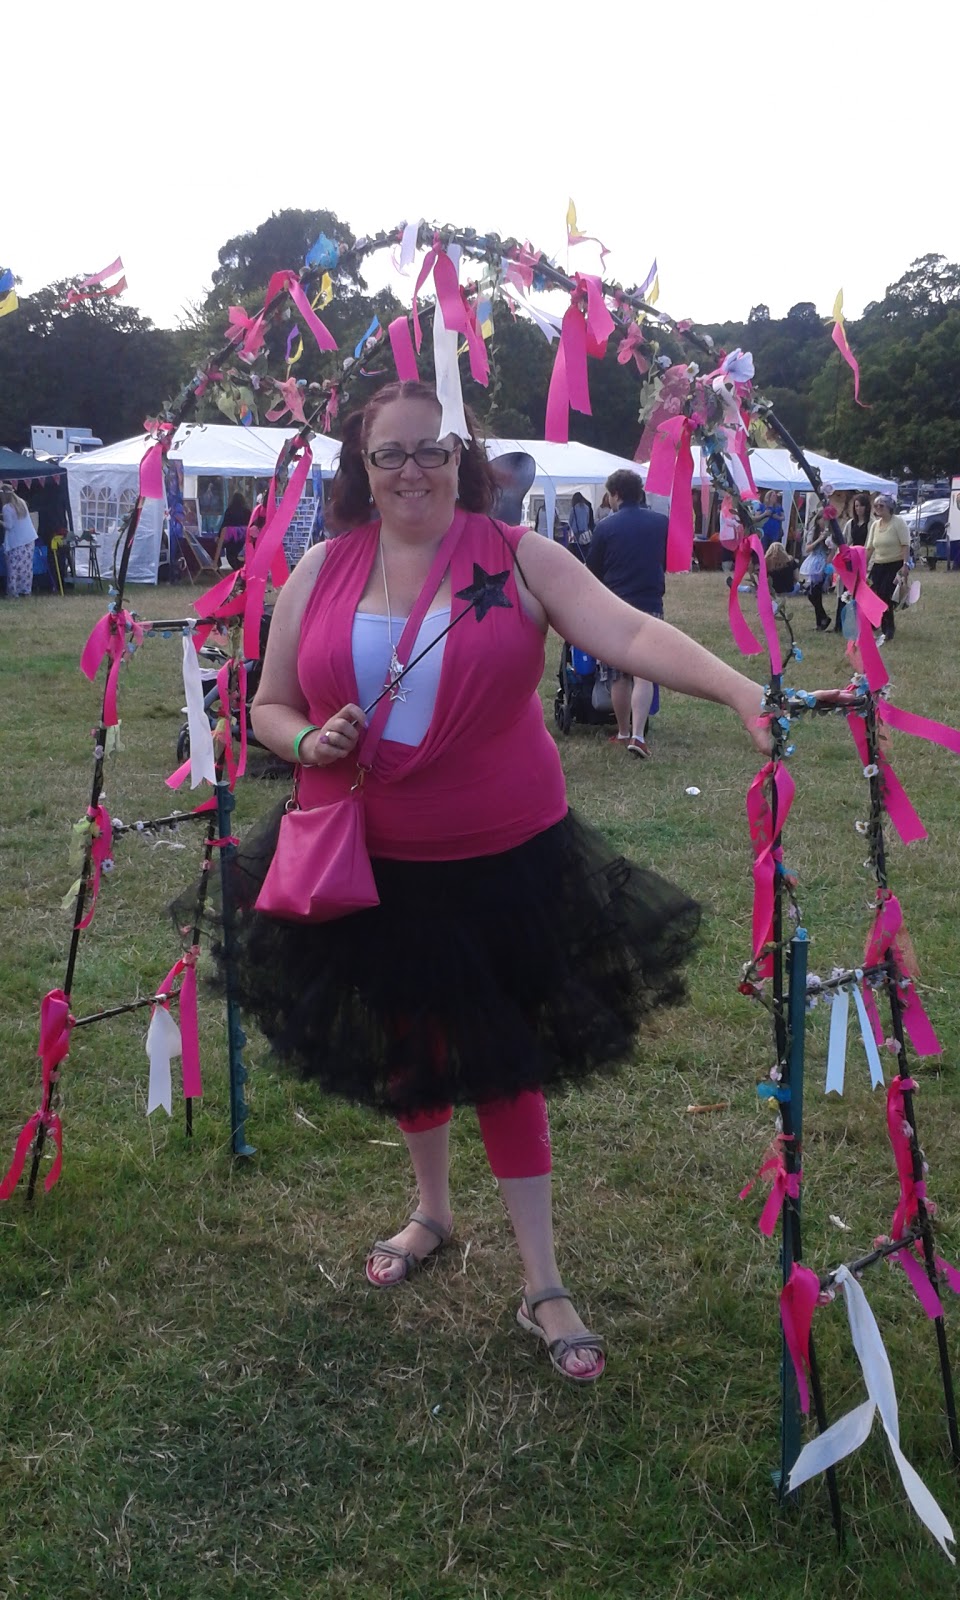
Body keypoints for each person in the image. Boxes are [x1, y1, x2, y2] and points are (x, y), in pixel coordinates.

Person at [214, 381, 766, 1384]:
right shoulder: (322, 569)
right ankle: (431, 1211)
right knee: (409, 1046)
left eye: (433, 449)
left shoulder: (517, 556)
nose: (412, 469)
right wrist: (308, 738)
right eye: (390, 453)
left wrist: (737, 689)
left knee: (506, 1066)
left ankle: (543, 1282)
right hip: (370, 860)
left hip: (505, 859)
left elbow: (628, 634)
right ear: (362, 467)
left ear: (461, 458)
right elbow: (269, 705)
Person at [585, 469, 665, 758]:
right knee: (643, 673)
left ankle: (622, 731)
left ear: (615, 494)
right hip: (650, 602)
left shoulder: (605, 527)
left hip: (615, 605)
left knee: (617, 674)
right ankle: (639, 734)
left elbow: (592, 571)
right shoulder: (661, 522)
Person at [866, 493, 911, 642]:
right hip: (878, 564)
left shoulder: (898, 523)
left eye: (881, 505)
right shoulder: (875, 525)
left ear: (889, 507)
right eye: (876, 506)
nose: (878, 508)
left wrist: (905, 565)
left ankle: (889, 627)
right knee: (874, 595)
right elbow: (870, 548)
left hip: (894, 564)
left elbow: (905, 545)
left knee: (885, 595)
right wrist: (863, 566)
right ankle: (877, 622)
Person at [1, 486, 37, 598]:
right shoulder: (21, 502)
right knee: (26, 568)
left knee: (13, 568)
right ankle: (26, 590)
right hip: (29, 539)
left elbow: (9, 526)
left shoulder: (6, 508)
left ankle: (13, 592)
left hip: (17, 541)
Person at [801, 513, 833, 630]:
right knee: (812, 593)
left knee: (816, 592)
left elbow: (832, 550)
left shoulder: (830, 533)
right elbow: (807, 549)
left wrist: (828, 564)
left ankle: (821, 621)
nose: (824, 522)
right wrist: (819, 539)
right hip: (814, 562)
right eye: (822, 519)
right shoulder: (814, 532)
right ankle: (822, 618)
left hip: (823, 562)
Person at [567, 491, 594, 558]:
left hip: (575, 532)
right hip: (585, 531)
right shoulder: (587, 508)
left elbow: (570, 521)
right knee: (584, 548)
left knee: (575, 548)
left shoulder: (574, 509)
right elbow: (587, 520)